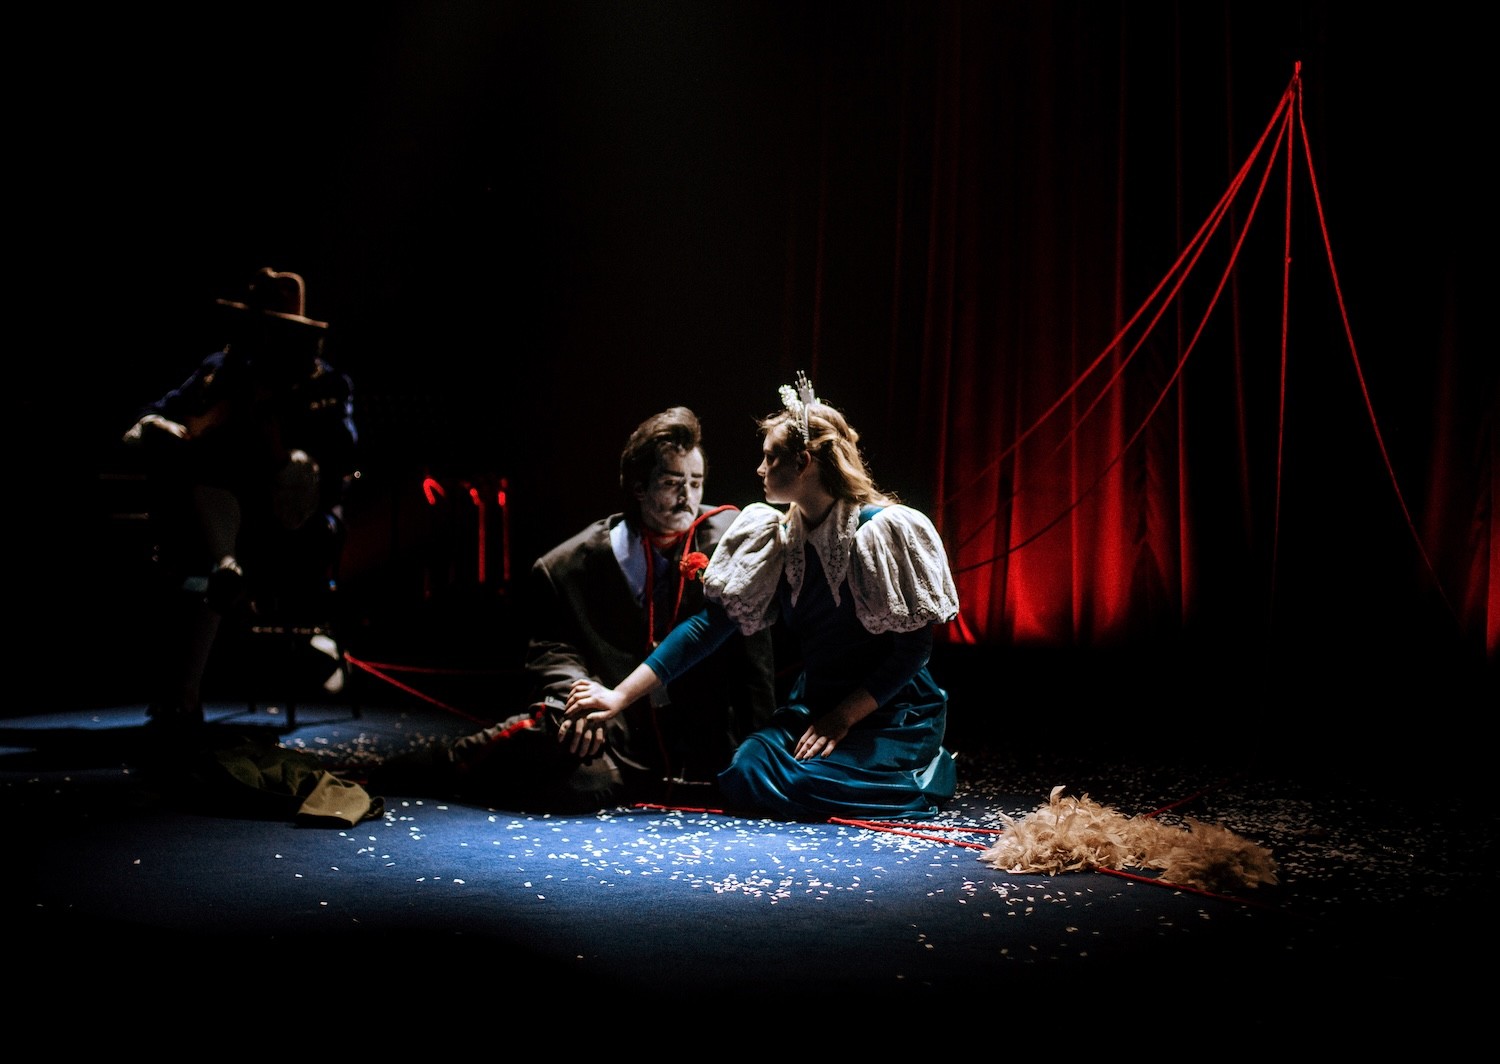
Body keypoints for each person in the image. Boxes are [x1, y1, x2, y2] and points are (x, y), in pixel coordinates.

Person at [563, 373, 960, 821]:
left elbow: (914, 651)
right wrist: (618, 696)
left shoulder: (879, 531)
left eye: (771, 458)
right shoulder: (778, 539)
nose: (760, 468)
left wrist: (843, 718)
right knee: (745, 772)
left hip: (888, 708)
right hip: (817, 702)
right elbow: (707, 628)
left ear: (803, 462)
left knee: (802, 781)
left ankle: (923, 770)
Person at [375, 406, 777, 812]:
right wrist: (580, 699)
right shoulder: (570, 566)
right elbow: (552, 649)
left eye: (696, 482)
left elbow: (754, 654)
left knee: (581, 788)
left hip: (695, 736)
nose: (687, 497)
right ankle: (427, 767)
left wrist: (761, 744)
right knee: (558, 735)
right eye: (672, 483)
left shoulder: (729, 541)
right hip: (613, 727)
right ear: (639, 487)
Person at [122, 267, 358, 734]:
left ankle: (183, 690)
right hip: (219, 523)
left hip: (291, 530)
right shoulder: (222, 370)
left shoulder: (323, 385)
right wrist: (158, 426)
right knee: (196, 555)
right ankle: (220, 575)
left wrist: (278, 446)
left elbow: (341, 460)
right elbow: (156, 414)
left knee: (205, 554)